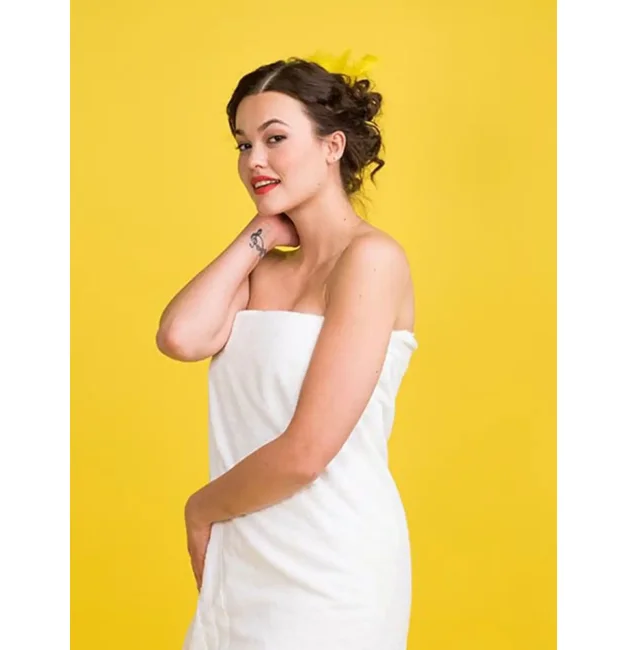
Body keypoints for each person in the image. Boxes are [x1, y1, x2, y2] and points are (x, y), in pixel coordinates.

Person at [156, 56, 419, 650]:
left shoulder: (372, 261)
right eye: (243, 144)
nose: (255, 160)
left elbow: (307, 452)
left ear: (332, 146)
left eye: (275, 139)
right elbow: (180, 338)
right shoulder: (260, 271)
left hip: (330, 566)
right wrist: (260, 235)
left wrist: (200, 510)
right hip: (244, 553)